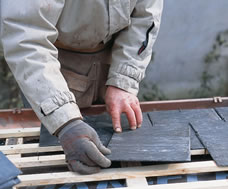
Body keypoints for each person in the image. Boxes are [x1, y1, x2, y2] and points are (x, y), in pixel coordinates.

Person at [0, 0, 163, 174]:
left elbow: (145, 17)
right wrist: (65, 123)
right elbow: (27, 38)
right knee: (51, 166)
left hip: (112, 62)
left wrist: (123, 81)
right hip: (50, 73)